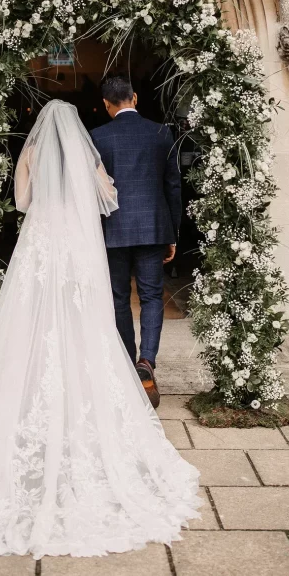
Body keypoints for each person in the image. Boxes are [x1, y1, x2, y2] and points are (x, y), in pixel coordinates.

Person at [0, 100, 199, 558]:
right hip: (74, 243)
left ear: (39, 128)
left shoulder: (30, 155)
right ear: (72, 127)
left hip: (39, 243)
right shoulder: (86, 152)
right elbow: (105, 197)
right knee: (83, 320)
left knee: (30, 321)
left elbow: (22, 202)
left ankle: (27, 398)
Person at [91, 77, 182, 409]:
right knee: (152, 296)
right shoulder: (161, 133)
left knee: (117, 298)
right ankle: (147, 362)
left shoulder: (98, 137)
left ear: (106, 104)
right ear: (135, 97)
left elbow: (95, 191)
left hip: (113, 230)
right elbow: (173, 185)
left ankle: (129, 366)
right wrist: (172, 232)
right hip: (153, 227)